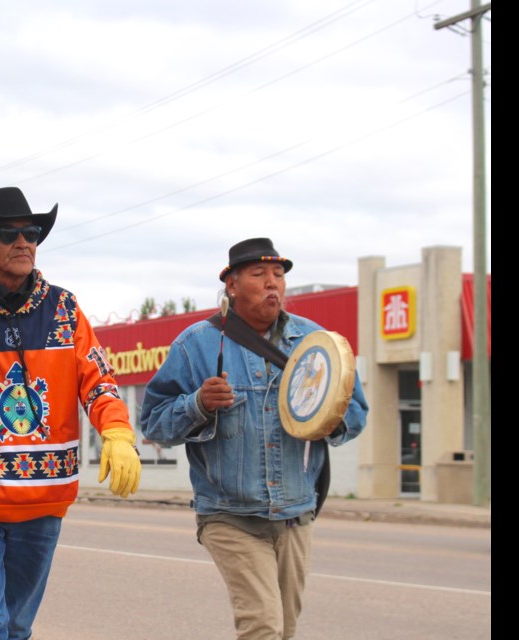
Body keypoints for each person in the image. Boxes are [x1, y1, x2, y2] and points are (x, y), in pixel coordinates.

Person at [0, 186, 142, 640]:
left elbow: (99, 382)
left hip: (44, 498)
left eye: (31, 233)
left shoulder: (65, 308)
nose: (24, 243)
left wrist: (117, 432)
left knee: (17, 625)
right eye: (8, 234)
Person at [139, 238, 369, 640]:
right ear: (232, 285)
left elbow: (356, 414)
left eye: (278, 275)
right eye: (259, 275)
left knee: (285, 628)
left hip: (295, 514)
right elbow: (154, 423)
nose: (272, 284)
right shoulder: (197, 344)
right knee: (262, 625)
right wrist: (198, 404)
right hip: (229, 515)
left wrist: (324, 413)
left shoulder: (315, 343)